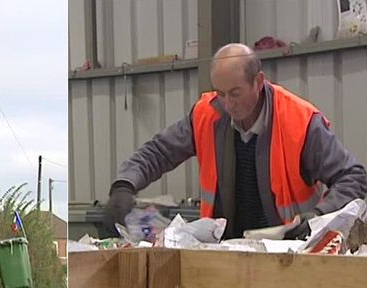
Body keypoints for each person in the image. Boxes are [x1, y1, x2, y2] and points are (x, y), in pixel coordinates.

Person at [105, 43, 367, 240]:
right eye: (220, 93)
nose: (228, 104)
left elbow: (354, 178)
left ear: (259, 82)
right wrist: (124, 184)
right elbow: (159, 152)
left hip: (292, 252)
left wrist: (318, 217)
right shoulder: (207, 114)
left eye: (235, 93)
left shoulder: (301, 122)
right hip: (226, 252)